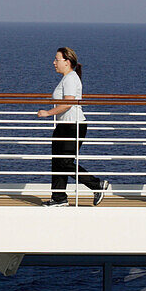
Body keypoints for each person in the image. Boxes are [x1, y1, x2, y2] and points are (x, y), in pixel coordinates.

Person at [37, 47, 109, 207]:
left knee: (64, 162)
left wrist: (48, 113)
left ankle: (97, 185)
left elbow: (68, 103)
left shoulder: (70, 78)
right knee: (58, 161)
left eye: (57, 59)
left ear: (67, 62)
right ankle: (58, 197)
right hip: (65, 125)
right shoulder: (67, 78)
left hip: (73, 126)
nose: (54, 62)